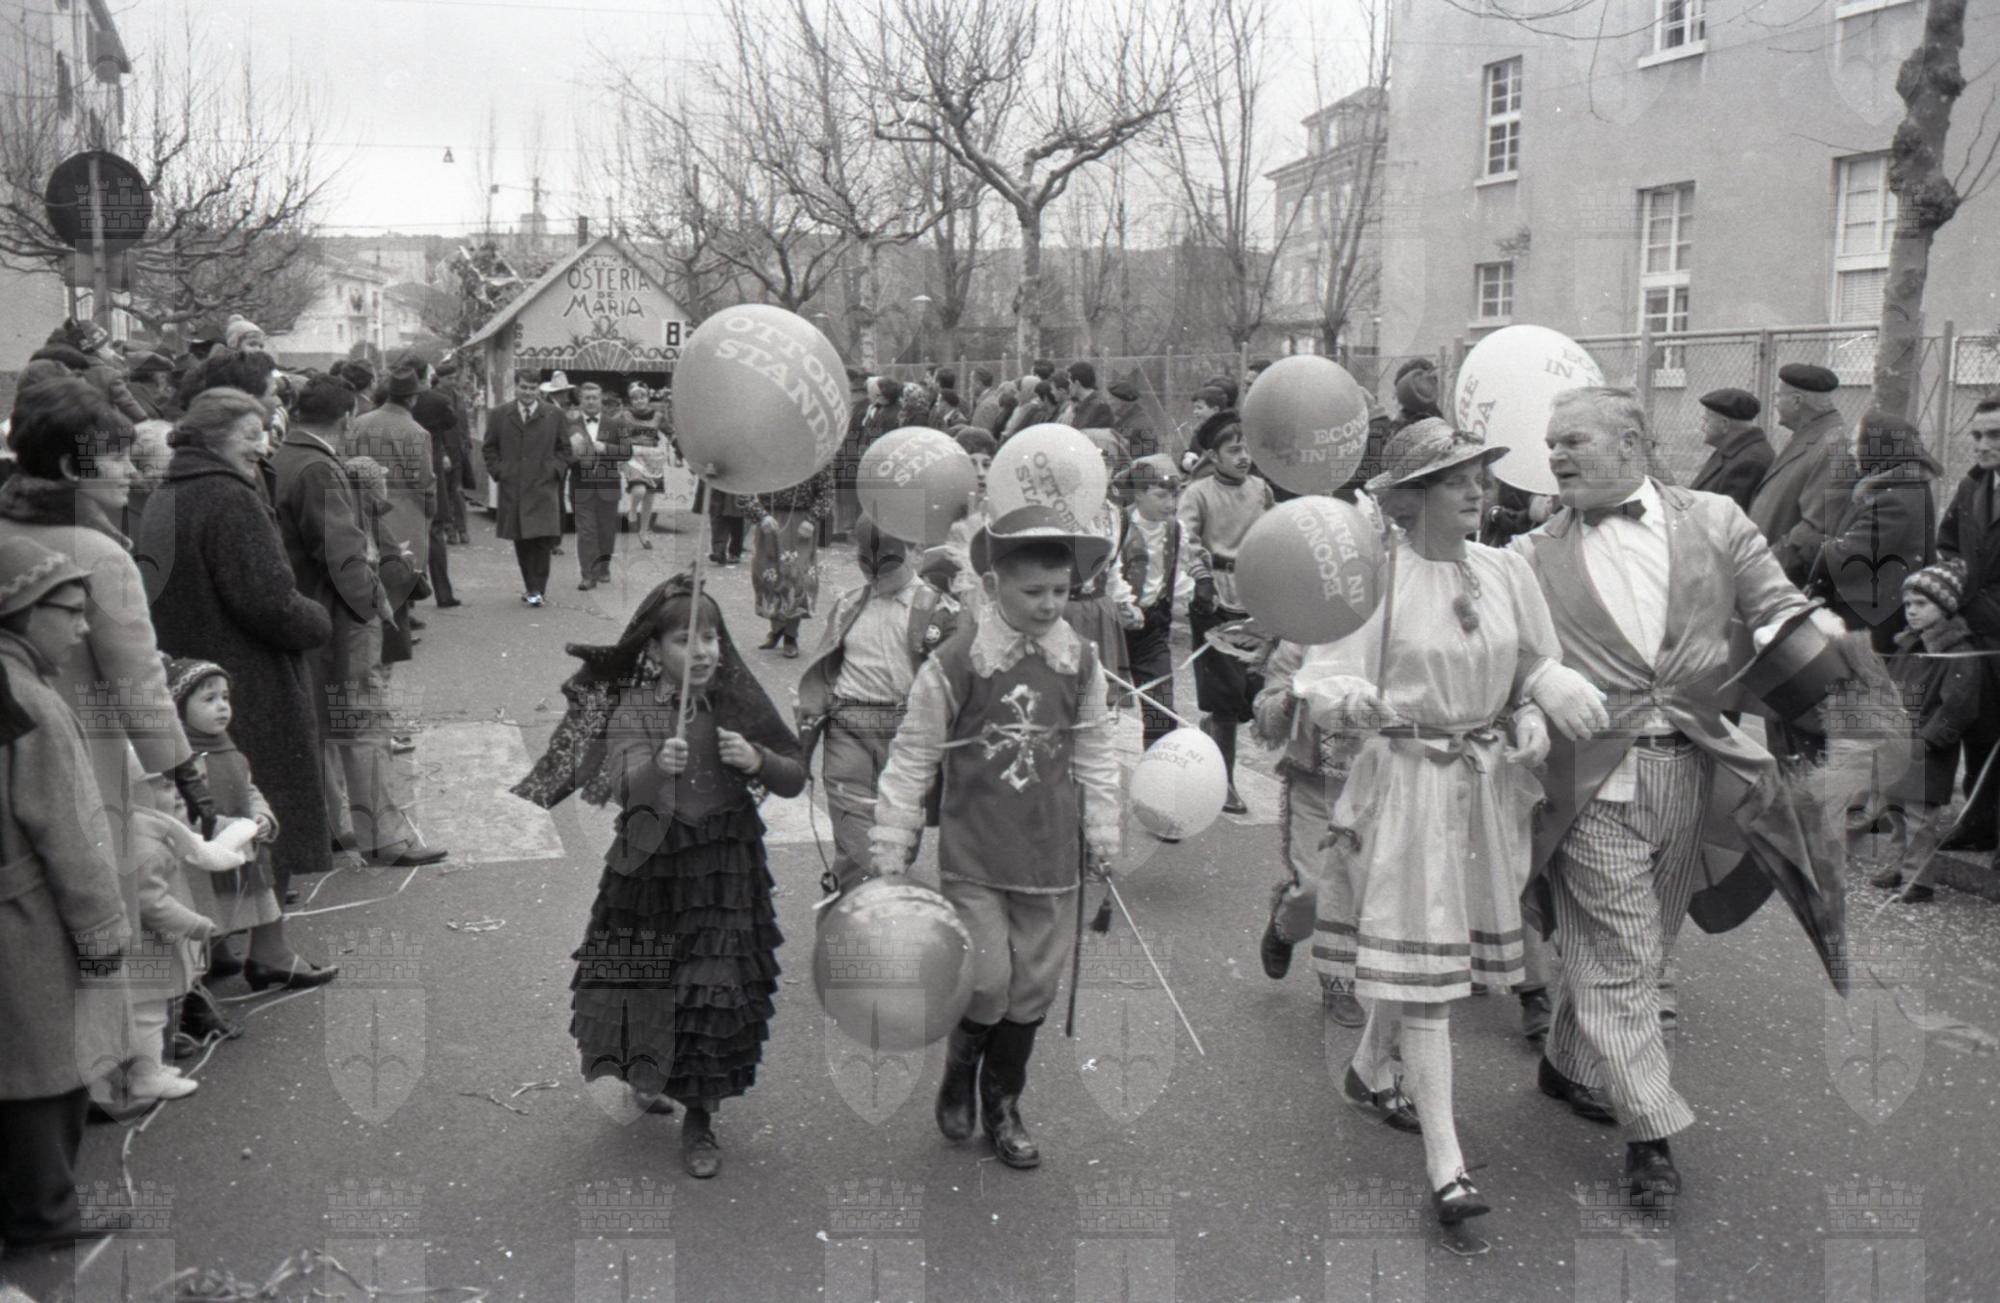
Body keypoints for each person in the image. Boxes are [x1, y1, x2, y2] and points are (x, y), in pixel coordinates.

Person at [1511, 386, 1833, 1209]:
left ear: (1632, 442)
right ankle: (1649, 1136)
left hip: (1693, 767)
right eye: (1551, 443)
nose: (1554, 454)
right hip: (1589, 780)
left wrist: (1820, 671)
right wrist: (1536, 687)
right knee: (1625, 957)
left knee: (1646, 945)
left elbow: (1778, 608)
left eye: (1572, 438)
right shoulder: (1530, 551)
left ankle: (1568, 1062)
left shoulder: (1718, 519)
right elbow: (1506, 651)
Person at [1295, 418, 1586, 1228]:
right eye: (1457, 478)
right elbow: (1324, 680)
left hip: (1483, 785)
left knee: (1426, 949)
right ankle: (1446, 1164)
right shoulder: (1376, 580)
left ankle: (1366, 1069)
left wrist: (1532, 715)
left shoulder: (1505, 569)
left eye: (1480, 476)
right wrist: (1351, 700)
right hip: (1405, 785)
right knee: (1428, 970)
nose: (1477, 490)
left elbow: (1529, 666)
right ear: (1412, 497)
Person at [514, 575, 805, 1178]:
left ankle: (701, 1116)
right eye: (684, 639)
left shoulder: (736, 702)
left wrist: (758, 759)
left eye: (711, 637)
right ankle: (645, 1070)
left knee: (714, 990)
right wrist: (656, 770)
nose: (702, 651)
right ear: (652, 648)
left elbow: (793, 777)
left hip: (725, 867)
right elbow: (626, 788)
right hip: (650, 866)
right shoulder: (637, 707)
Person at [870, 506, 1124, 1171]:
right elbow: (914, 752)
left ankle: (1004, 1100)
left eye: (1061, 590)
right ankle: (960, 1067)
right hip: (977, 849)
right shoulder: (959, 661)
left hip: (1051, 854)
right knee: (985, 980)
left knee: (1033, 986)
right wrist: (893, 839)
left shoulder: (1081, 662)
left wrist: (1102, 826)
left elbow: (1096, 750)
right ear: (993, 586)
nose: (1049, 604)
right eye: (1033, 591)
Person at [138, 390, 349, 940]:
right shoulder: (230, 498)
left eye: (266, 432)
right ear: (213, 437)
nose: (263, 445)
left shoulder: (169, 492)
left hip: (191, 678)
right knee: (263, 812)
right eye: (250, 435)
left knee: (215, 812)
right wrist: (317, 621)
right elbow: (268, 600)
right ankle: (269, 951)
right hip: (246, 679)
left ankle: (227, 949)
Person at [0, 378, 193, 878]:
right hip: (86, 761)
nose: (131, 471)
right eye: (117, 458)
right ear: (71, 467)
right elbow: (138, 681)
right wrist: (183, 774)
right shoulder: (99, 553)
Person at [0, 537, 133, 1255]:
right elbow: (71, 833)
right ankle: (44, 1212)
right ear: (22, 612)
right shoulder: (27, 702)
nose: (83, 628)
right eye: (72, 612)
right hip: (23, 912)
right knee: (45, 1066)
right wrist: (102, 931)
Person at [274, 376, 439, 873]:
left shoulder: (283, 459)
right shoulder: (320, 469)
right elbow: (344, 554)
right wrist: (378, 609)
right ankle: (383, 836)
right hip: (341, 618)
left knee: (323, 726)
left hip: (306, 613)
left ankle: (331, 825)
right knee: (364, 724)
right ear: (346, 419)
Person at [797, 517, 961, 893]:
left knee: (897, 844)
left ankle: (860, 910)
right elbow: (824, 669)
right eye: (864, 560)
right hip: (849, 731)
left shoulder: (940, 612)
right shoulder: (849, 604)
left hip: (909, 740)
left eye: (887, 561)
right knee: (861, 850)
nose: (874, 571)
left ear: (915, 551)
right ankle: (858, 910)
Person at [1253, 637, 1360, 1026]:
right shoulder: (1304, 635)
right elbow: (1265, 717)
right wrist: (1293, 695)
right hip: (1314, 785)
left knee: (1354, 889)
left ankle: (1339, 982)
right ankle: (1284, 928)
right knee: (1313, 888)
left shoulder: (1390, 632)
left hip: (1372, 786)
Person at [1178, 399, 1274, 814]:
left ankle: (1214, 728)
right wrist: (1200, 578)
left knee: (1254, 690)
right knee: (1225, 697)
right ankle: (1224, 783)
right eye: (1233, 450)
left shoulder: (1260, 490)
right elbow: (1184, 539)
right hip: (1214, 596)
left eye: (1247, 448)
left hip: (1253, 595)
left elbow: (1275, 531)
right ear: (1213, 456)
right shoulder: (1198, 494)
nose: (1243, 456)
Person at [1867, 560, 1981, 902]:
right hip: (1898, 741)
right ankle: (1900, 865)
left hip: (1926, 749)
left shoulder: (1957, 653)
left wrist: (1929, 739)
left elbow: (1959, 705)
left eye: (1921, 604)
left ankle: (1919, 879)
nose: (1912, 611)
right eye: (1908, 605)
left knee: (1920, 817)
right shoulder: (1907, 645)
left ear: (1944, 606)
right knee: (1896, 810)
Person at [1810, 410, 1937, 653]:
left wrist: (1819, 547)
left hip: (1873, 618)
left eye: (1857, 443)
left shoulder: (1896, 499)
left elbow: (1853, 555)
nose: (1851, 451)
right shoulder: (1895, 489)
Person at [1934, 395, 2000, 858]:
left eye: (1994, 435)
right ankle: (1978, 822)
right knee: (1981, 727)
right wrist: (1958, 586)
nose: (1982, 444)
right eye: (1976, 434)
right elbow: (1949, 544)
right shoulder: (1972, 486)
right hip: (1975, 629)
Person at [347, 365, 437, 642]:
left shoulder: (360, 422)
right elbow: (424, 479)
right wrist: (430, 509)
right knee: (401, 567)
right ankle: (397, 633)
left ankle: (383, 624)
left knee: (372, 566)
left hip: (363, 503)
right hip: (405, 506)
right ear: (412, 398)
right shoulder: (416, 431)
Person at [1747, 363, 1844, 585]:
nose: (1775, 403)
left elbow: (1816, 525)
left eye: (1778, 396)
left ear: (1797, 401)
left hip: (1783, 579)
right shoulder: (1808, 435)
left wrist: (1764, 567)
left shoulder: (1834, 445)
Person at [483, 374, 572, 607]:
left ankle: (537, 590)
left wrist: (554, 470)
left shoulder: (554, 414)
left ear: (539, 390)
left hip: (543, 487)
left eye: (532, 388)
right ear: (516, 387)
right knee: (522, 540)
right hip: (514, 487)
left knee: (542, 540)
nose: (528, 392)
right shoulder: (500, 414)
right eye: (524, 387)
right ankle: (531, 587)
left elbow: (565, 450)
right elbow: (489, 447)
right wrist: (500, 471)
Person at [1117, 456, 1184, 751]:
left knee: (1162, 710)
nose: (1170, 504)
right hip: (1114, 629)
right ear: (1139, 493)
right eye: (1161, 495)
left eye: (1174, 495)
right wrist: (1120, 606)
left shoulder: (1175, 529)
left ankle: (1155, 769)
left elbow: (1179, 571)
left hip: (1151, 629)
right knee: (1097, 707)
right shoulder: (1118, 525)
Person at [747, 466, 834, 656]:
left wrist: (812, 519)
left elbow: (827, 491)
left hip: (801, 522)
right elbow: (743, 489)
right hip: (769, 521)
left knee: (796, 578)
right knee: (768, 575)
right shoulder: (762, 454)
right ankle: (777, 628)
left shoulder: (817, 456)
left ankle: (791, 635)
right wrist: (761, 515)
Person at [565, 382, 632, 591]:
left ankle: (604, 566)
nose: (591, 402)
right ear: (580, 401)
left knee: (606, 531)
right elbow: (562, 454)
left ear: (601, 400)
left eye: (595, 398)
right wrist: (575, 455)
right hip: (581, 486)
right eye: (587, 398)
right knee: (586, 532)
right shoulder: (569, 425)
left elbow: (627, 452)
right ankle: (587, 575)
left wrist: (605, 448)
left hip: (608, 486)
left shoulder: (616, 424)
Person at [408, 363, 463, 607]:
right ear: (426, 376)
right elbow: (452, 422)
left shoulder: (392, 399)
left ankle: (410, 595)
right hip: (432, 464)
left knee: (407, 531)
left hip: (404, 469)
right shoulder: (439, 400)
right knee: (436, 529)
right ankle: (443, 593)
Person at [1688, 388, 1773, 512]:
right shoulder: (1732, 451)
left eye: (1706, 420)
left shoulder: (1749, 462)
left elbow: (1728, 516)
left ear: (1724, 424)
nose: (1702, 427)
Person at [618, 382, 671, 550]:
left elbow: (670, 433)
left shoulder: (658, 417)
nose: (639, 401)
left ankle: (644, 531)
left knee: (649, 496)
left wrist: (680, 447)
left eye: (642, 397)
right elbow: (611, 430)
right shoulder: (624, 416)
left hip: (652, 458)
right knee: (639, 489)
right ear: (631, 400)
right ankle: (632, 511)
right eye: (635, 398)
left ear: (648, 398)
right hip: (632, 456)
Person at [1063, 361, 1115, 430]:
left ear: (1077, 383)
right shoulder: (1080, 405)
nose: (1068, 387)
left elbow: (1099, 434)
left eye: (1069, 383)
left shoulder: (1101, 407)